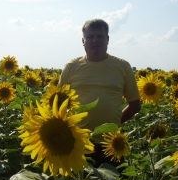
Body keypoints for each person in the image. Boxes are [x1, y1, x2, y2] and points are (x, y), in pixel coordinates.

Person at [58, 19, 141, 167]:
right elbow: (57, 104)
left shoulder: (122, 66)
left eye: (99, 36)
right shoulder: (71, 67)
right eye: (90, 37)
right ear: (83, 41)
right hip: (78, 142)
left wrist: (114, 124)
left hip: (111, 144)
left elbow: (135, 105)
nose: (95, 40)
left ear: (107, 39)